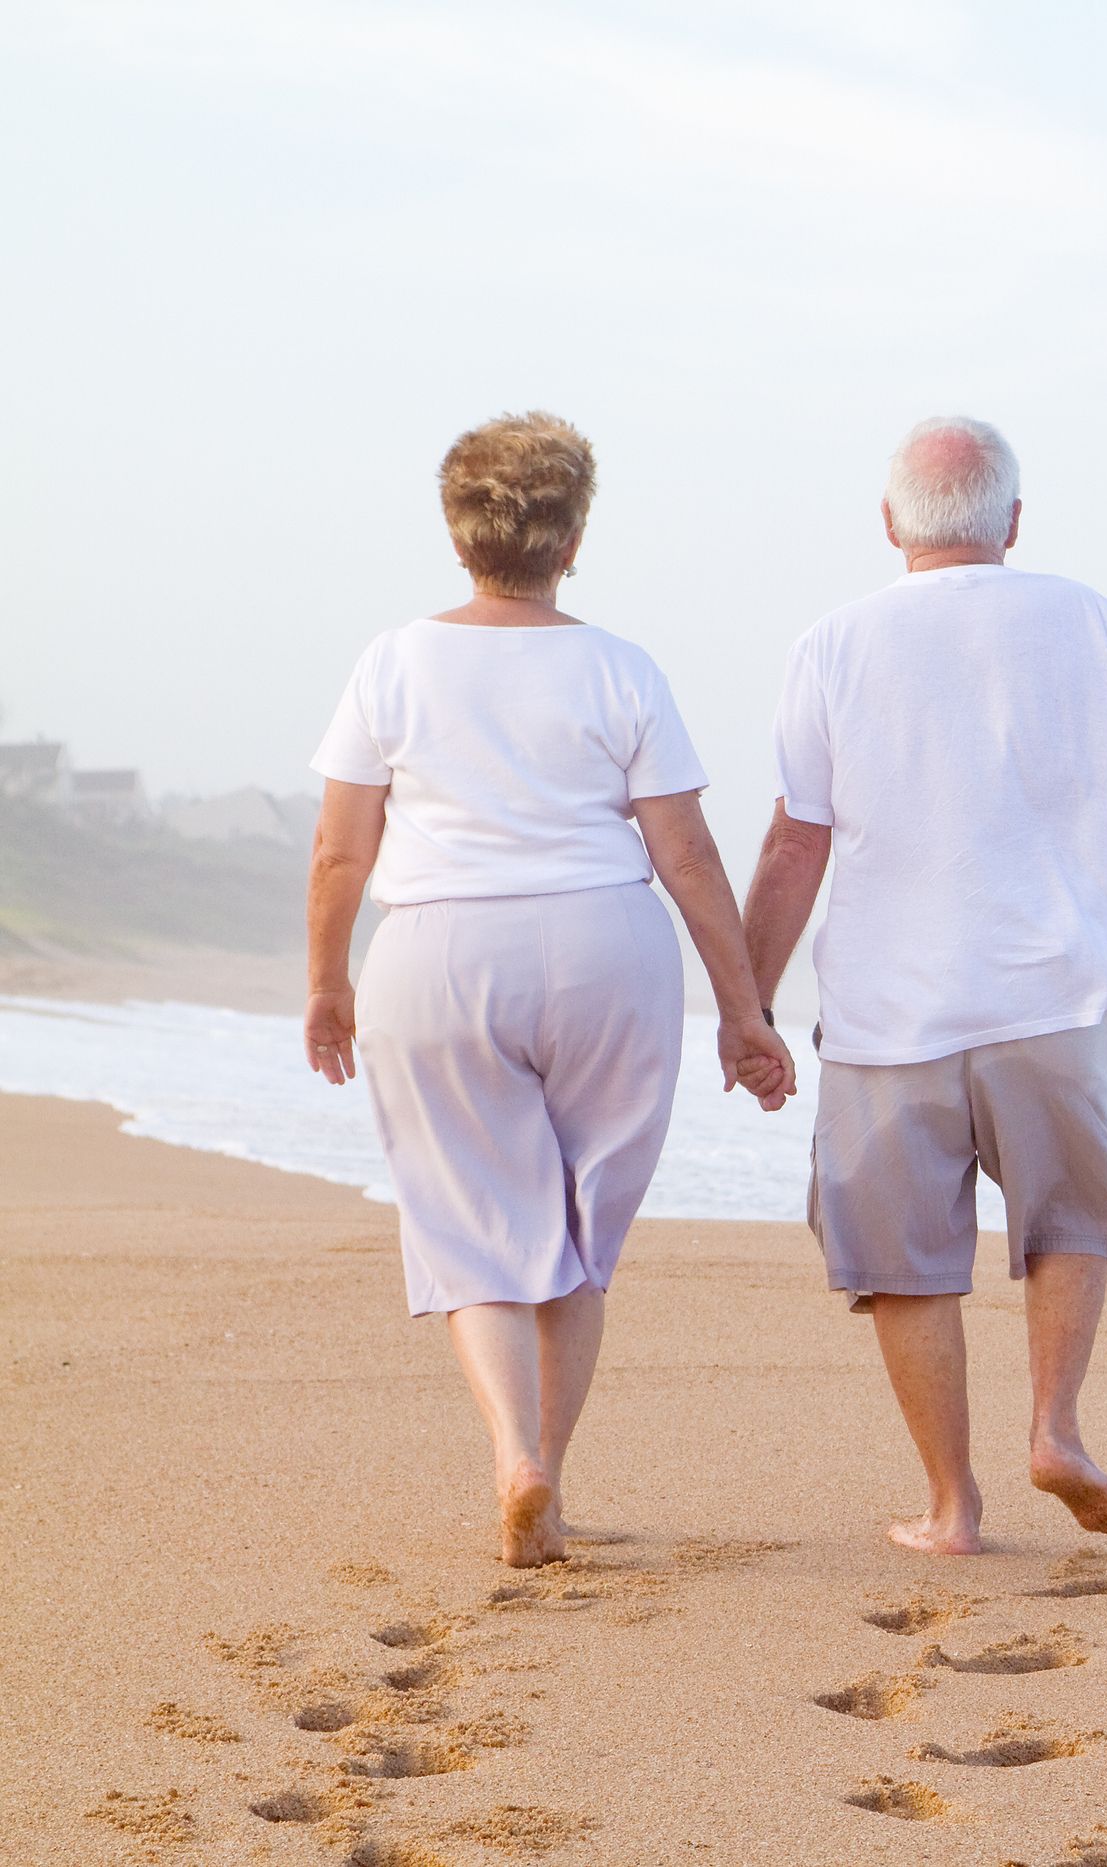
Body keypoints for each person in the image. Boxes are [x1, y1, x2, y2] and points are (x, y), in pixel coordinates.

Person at [304, 410, 795, 1568]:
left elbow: (339, 851)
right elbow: (687, 855)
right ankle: (552, 1486)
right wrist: (743, 1008)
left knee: (476, 1226)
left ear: (456, 530)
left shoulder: (392, 661)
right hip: (606, 951)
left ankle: (515, 1456)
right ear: (571, 539)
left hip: (436, 951)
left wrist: (327, 981)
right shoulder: (619, 667)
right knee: (577, 1235)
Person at [741, 415, 1107, 1556]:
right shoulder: (1089, 620)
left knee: (908, 1258)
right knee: (1065, 1221)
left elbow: (792, 847)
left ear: (888, 525)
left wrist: (749, 1005)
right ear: (1013, 520)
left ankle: (951, 1505)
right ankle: (1056, 1430)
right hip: (1054, 996)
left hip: (887, 1017)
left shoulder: (833, 643)